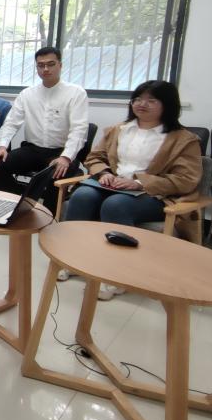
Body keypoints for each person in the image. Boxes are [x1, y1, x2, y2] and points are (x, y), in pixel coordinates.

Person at [60, 80, 202, 300]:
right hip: (111, 185)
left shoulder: (184, 140)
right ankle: (73, 260)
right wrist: (104, 173)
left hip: (154, 194)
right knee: (82, 196)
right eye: (137, 99)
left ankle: (118, 274)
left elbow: (186, 179)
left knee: (116, 205)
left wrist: (140, 183)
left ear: (167, 105)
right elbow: (95, 157)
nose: (141, 104)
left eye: (151, 100)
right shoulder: (118, 130)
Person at [0, 47, 89, 216]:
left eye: (51, 64)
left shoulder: (75, 93)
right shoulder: (27, 94)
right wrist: (2, 147)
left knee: (56, 176)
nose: (45, 69)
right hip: (33, 150)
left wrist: (66, 157)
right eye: (41, 65)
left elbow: (79, 129)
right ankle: (21, 203)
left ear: (60, 65)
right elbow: (11, 123)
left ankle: (47, 218)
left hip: (61, 152)